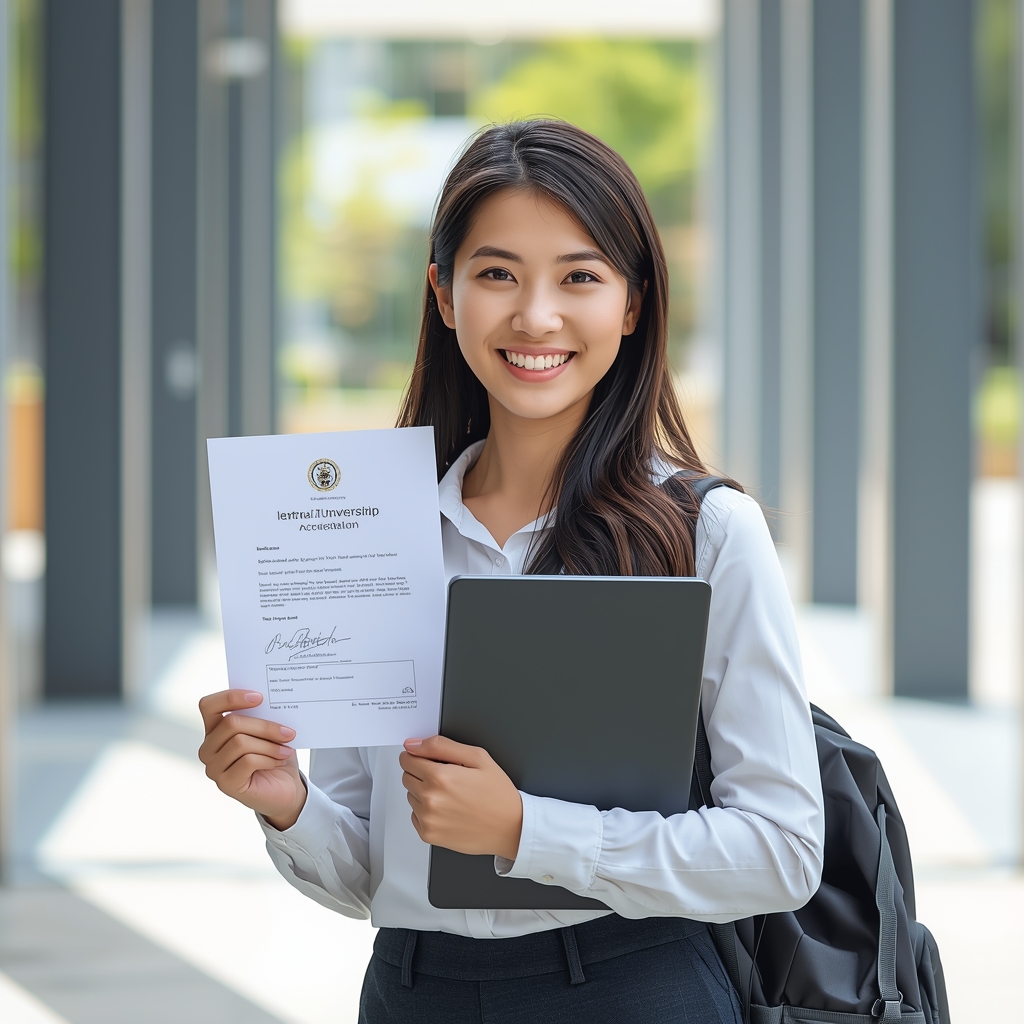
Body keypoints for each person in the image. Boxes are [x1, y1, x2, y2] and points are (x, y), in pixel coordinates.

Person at [198, 120, 824, 1023]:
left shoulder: (707, 532)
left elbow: (781, 848)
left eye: (580, 276)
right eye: (497, 274)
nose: (536, 316)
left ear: (634, 303)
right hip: (414, 992)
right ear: (444, 295)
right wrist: (285, 800)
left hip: (632, 984)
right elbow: (367, 875)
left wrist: (529, 833)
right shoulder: (369, 534)